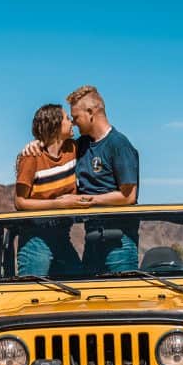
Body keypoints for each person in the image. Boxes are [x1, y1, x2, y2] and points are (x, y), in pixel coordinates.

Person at [21, 85, 140, 272]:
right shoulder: (80, 145)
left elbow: (128, 197)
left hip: (119, 243)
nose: (74, 123)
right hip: (92, 239)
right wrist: (36, 143)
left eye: (75, 117)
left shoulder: (119, 145)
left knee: (121, 298)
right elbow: (54, 144)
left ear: (91, 112)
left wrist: (79, 201)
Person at [13, 104, 82, 276]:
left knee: (78, 281)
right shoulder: (31, 157)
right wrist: (59, 204)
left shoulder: (72, 149)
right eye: (67, 118)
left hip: (63, 235)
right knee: (34, 294)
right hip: (36, 240)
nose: (72, 122)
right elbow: (20, 202)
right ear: (56, 125)